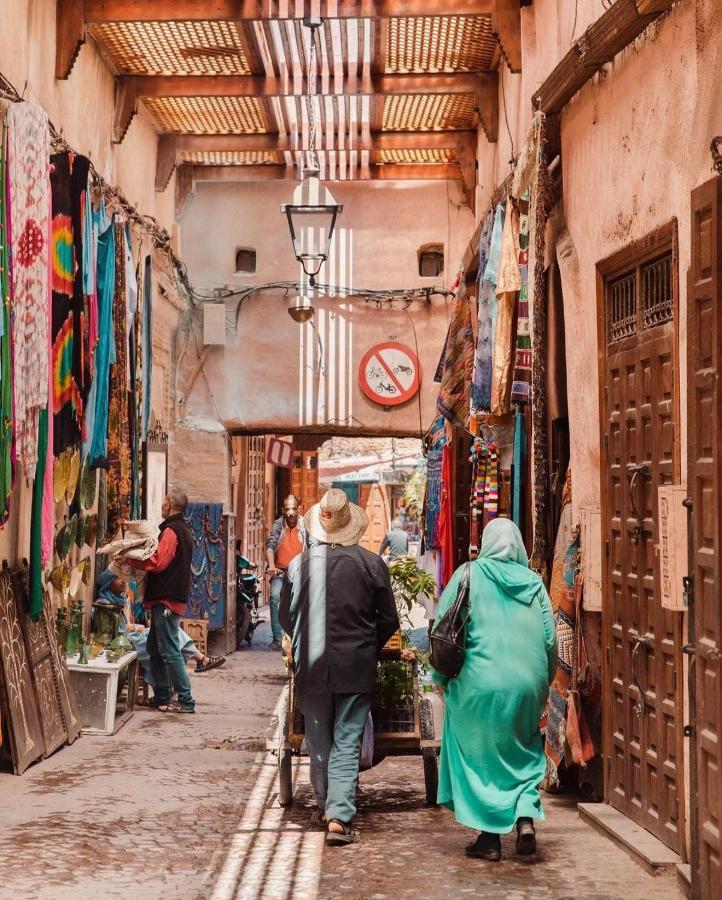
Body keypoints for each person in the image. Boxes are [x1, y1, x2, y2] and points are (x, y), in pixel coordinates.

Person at [431, 518, 557, 862]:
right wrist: (541, 686)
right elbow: (549, 641)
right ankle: (525, 817)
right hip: (527, 686)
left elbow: (444, 631)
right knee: (525, 748)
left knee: (478, 753)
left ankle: (489, 838)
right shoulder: (534, 583)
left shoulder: (468, 574)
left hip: (479, 687)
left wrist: (440, 680)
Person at [280, 488, 399, 847]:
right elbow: (389, 619)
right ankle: (339, 817)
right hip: (356, 666)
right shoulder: (371, 564)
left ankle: (323, 807)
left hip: (311, 667)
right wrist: (367, 646)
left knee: (319, 741)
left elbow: (286, 618)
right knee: (347, 739)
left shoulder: (298, 565)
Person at [120, 488, 197, 713]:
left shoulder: (173, 531)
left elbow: (158, 562)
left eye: (164, 501)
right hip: (167, 597)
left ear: (171, 503)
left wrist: (133, 560)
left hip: (167, 599)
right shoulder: (181, 528)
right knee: (154, 647)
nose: (162, 505)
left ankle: (186, 700)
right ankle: (162, 696)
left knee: (170, 649)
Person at [95, 571, 226, 683]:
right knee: (166, 639)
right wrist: (135, 628)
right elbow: (116, 634)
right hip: (126, 642)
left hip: (133, 636)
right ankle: (200, 661)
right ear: (108, 583)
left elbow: (126, 625)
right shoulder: (104, 604)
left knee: (172, 632)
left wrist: (135, 627)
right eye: (118, 579)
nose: (123, 582)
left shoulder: (119, 601)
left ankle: (201, 660)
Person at [266, 494, 306, 651]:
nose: (290, 512)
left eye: (293, 509)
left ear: (299, 509)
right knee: (275, 596)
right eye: (287, 509)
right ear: (283, 510)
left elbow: (311, 546)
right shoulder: (278, 525)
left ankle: (298, 637)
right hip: (280, 570)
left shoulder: (304, 526)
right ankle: (277, 638)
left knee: (300, 602)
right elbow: (270, 546)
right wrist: (271, 565)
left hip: (300, 571)